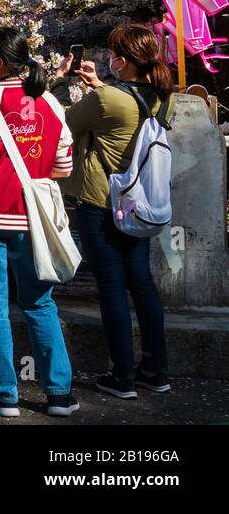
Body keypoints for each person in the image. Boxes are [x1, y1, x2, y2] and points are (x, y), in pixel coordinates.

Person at [0, 26, 78, 418]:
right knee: (40, 304)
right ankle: (59, 393)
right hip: (33, 219)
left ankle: (4, 394)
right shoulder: (51, 104)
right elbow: (63, 165)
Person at [51, 25, 172, 398]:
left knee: (112, 289)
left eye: (113, 54)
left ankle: (121, 376)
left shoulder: (108, 100)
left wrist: (59, 78)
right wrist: (99, 84)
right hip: (140, 206)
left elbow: (61, 122)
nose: (109, 59)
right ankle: (155, 369)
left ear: (122, 59)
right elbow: (120, 107)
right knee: (142, 283)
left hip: (102, 204)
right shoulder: (159, 96)